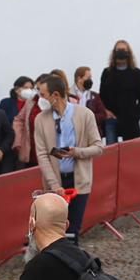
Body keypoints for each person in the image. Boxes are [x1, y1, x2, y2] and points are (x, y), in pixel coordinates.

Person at [33, 73, 106, 237]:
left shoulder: (85, 114)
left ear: (55, 95)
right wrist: (54, 185)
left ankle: (71, 260)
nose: (40, 98)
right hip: (54, 183)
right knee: (54, 230)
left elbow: (98, 147)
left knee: (72, 229)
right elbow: (42, 155)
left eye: (43, 95)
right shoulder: (40, 120)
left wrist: (77, 152)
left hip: (79, 181)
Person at [99, 40, 140, 141]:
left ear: (129, 53)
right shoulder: (107, 73)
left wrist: (136, 116)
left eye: (123, 50)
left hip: (130, 119)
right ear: (114, 52)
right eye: (118, 50)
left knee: (133, 150)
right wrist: (105, 111)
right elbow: (101, 96)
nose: (121, 52)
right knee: (111, 151)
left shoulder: (137, 73)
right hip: (111, 119)